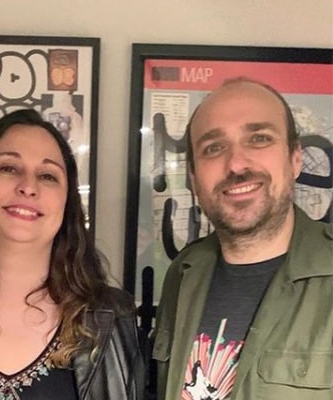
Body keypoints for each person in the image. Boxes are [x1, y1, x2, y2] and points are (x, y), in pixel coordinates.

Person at [0, 109, 146, 399]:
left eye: (48, 176)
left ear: (67, 202)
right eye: (9, 168)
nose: (28, 187)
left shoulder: (113, 318)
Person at [153, 77, 332, 400]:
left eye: (259, 139)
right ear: (194, 177)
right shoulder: (183, 272)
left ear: (295, 158)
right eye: (213, 148)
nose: (236, 164)